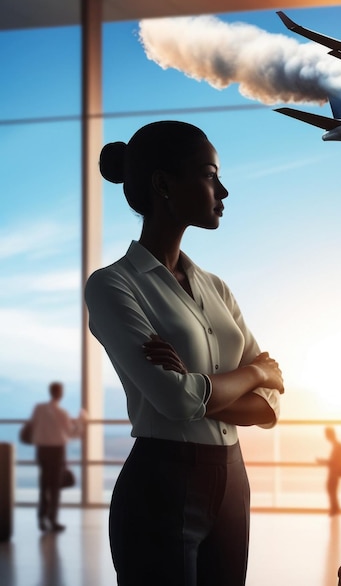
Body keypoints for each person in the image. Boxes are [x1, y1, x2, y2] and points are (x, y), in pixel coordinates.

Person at [84, 120, 284, 586]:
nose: (224, 190)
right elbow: (174, 402)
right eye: (210, 175)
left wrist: (201, 386)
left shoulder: (217, 288)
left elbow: (271, 404)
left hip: (233, 482)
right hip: (160, 485)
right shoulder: (113, 286)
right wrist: (253, 374)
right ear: (163, 185)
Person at [29, 381, 85, 532]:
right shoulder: (62, 413)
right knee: (54, 487)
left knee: (44, 484)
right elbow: (72, 434)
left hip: (42, 450)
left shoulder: (39, 409)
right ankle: (52, 520)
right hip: (57, 451)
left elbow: (33, 426)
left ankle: (41, 518)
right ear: (60, 394)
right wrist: (81, 421)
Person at [317, 426, 341, 516]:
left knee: (331, 489)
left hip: (334, 473)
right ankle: (335, 509)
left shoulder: (338, 447)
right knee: (332, 490)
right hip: (334, 473)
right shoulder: (338, 446)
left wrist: (322, 462)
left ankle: (334, 510)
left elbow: (333, 461)